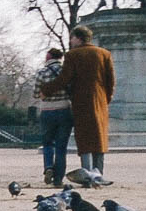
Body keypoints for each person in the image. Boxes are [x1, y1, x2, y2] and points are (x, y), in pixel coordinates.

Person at [48, 24, 115, 187]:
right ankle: (98, 173)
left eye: (72, 38)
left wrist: (46, 89)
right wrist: (106, 98)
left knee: (84, 138)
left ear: (78, 38)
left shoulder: (73, 55)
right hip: (100, 101)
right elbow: (110, 81)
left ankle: (87, 173)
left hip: (81, 101)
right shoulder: (104, 54)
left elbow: (64, 79)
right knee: (99, 138)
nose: (70, 41)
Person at [34, 47, 73, 186]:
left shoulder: (41, 73)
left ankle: (48, 166)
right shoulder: (67, 72)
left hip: (47, 111)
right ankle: (58, 179)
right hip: (64, 110)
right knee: (61, 147)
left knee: (47, 143)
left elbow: (36, 93)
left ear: (49, 57)